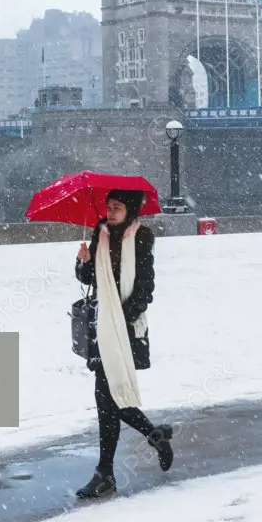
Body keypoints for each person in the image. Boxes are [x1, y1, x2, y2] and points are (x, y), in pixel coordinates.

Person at [74, 188, 173, 499]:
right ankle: (151, 440)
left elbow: (146, 290)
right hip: (102, 328)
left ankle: (106, 473)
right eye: (108, 206)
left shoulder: (141, 238)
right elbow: (89, 277)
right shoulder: (100, 234)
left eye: (117, 207)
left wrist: (120, 316)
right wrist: (83, 263)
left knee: (109, 399)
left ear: (130, 210)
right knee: (109, 399)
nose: (110, 211)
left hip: (125, 329)